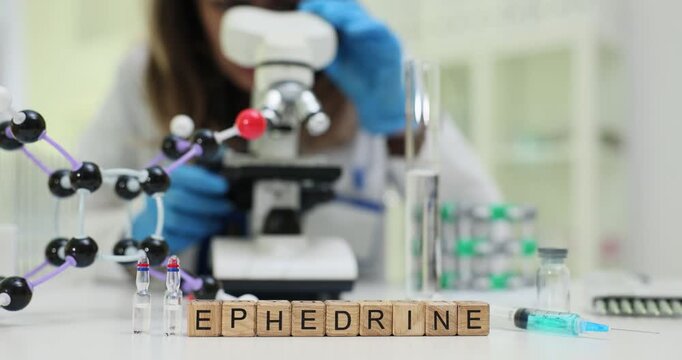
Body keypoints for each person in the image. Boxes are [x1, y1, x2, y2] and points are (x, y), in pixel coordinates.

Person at [80, 0, 500, 277]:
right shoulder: (146, 78)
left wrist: (401, 129)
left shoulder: (380, 71)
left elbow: (489, 245)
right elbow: (76, 232)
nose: (264, 26)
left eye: (284, 3)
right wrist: (132, 240)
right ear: (189, 12)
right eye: (232, 3)